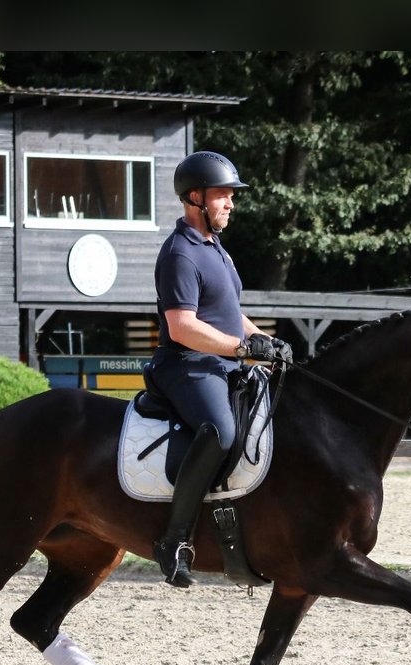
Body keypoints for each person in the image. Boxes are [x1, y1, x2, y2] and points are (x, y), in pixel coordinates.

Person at [149, 150, 293, 588]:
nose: (230, 203)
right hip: (186, 366)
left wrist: (265, 342)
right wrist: (242, 347)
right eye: (222, 196)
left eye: (232, 196)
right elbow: (183, 326)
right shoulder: (179, 254)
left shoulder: (216, 250)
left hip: (221, 362)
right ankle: (173, 540)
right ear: (195, 197)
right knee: (220, 431)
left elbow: (229, 315)